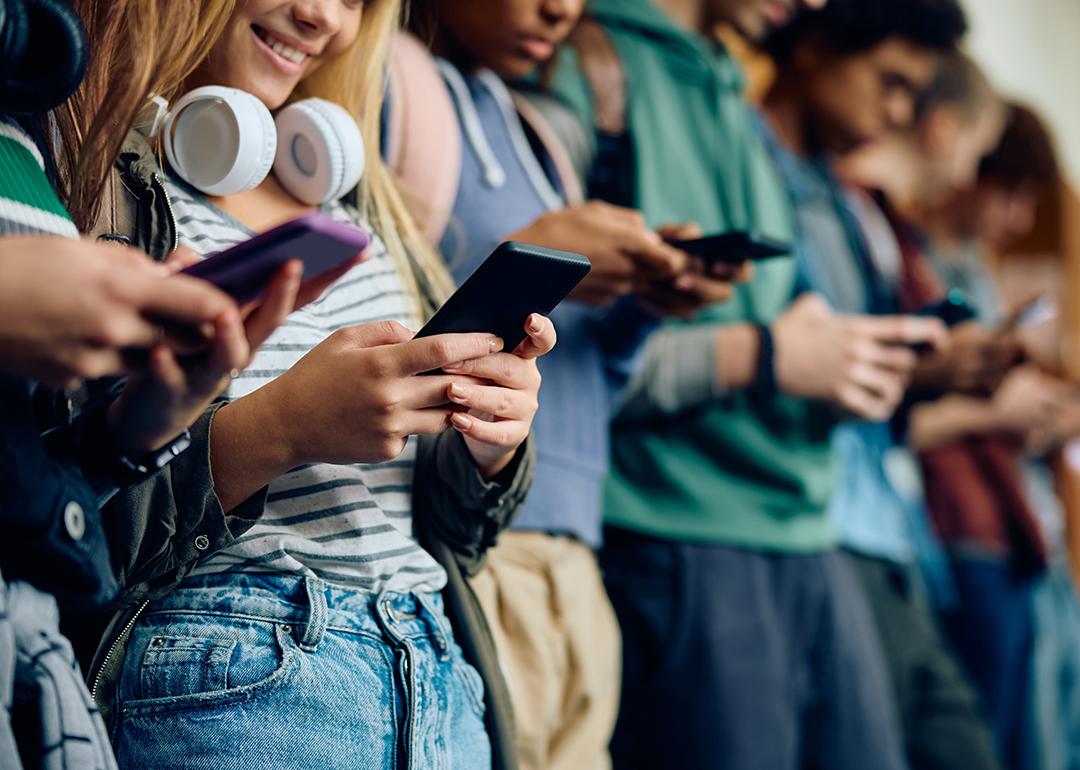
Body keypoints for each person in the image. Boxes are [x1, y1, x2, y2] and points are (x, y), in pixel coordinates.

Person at [69, 1, 555, 768]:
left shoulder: (365, 212)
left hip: (438, 673)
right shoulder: (101, 190)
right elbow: (63, 520)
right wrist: (282, 428)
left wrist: (487, 441)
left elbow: (454, 535)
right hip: (236, 678)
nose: (321, 15)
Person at [545, 0, 952, 767]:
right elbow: (543, 365)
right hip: (677, 535)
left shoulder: (734, 99)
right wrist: (767, 353)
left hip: (805, 530)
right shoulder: (585, 66)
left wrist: (836, 359)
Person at [388, 3, 747, 767]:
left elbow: (588, 386)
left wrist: (646, 306)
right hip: (477, 550)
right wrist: (526, 255)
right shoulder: (393, 89)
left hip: (578, 559)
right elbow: (366, 323)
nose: (562, 8)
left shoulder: (539, 133)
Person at [759, 33, 1008, 770]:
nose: (894, 109)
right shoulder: (803, 192)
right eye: (889, 82)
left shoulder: (853, 209)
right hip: (831, 520)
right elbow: (818, 353)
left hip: (889, 530)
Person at [848, 75, 1060, 770]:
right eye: (1012, 192)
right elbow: (898, 412)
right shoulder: (898, 253)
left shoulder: (933, 260)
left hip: (972, 533)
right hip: (941, 530)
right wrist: (993, 405)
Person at [922, 104, 1080, 770]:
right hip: (963, 536)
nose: (1016, 220)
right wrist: (999, 408)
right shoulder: (916, 264)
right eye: (1011, 196)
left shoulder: (972, 271)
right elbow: (912, 417)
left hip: (1020, 533)